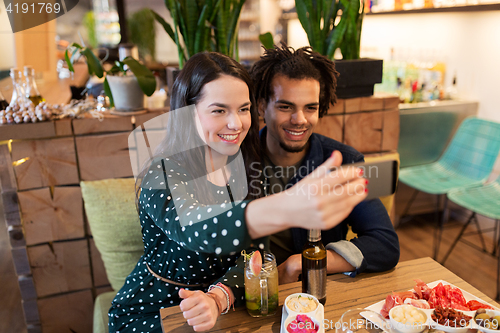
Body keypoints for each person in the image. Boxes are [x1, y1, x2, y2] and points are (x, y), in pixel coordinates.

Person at [108, 52, 368, 333]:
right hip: (154, 313)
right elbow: (199, 228)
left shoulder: (246, 165)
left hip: (223, 313)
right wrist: (286, 206)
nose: (236, 124)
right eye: (219, 110)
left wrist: (216, 298)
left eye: (243, 109)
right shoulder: (161, 174)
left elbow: (255, 255)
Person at [249, 45, 400, 284]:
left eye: (310, 108)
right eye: (285, 106)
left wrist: (303, 262)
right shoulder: (235, 161)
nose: (299, 120)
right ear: (261, 107)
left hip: (316, 299)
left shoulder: (344, 161)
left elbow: (385, 244)